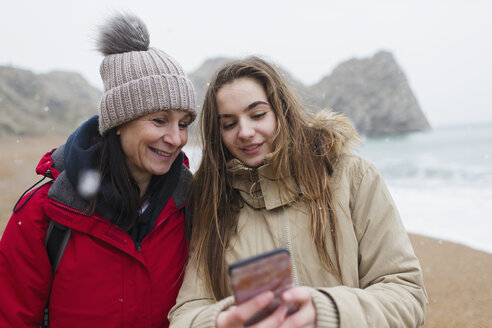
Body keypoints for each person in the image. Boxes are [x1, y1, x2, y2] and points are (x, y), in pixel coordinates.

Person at [168, 56, 427, 327]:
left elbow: (406, 293)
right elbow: (186, 314)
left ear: (282, 111)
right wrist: (224, 320)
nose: (245, 132)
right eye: (229, 124)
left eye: (257, 114)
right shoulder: (211, 202)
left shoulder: (353, 177)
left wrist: (328, 311)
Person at [0, 13, 196, 328]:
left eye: (184, 124)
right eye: (160, 120)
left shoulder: (191, 208)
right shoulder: (43, 215)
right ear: (119, 123)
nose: (176, 139)